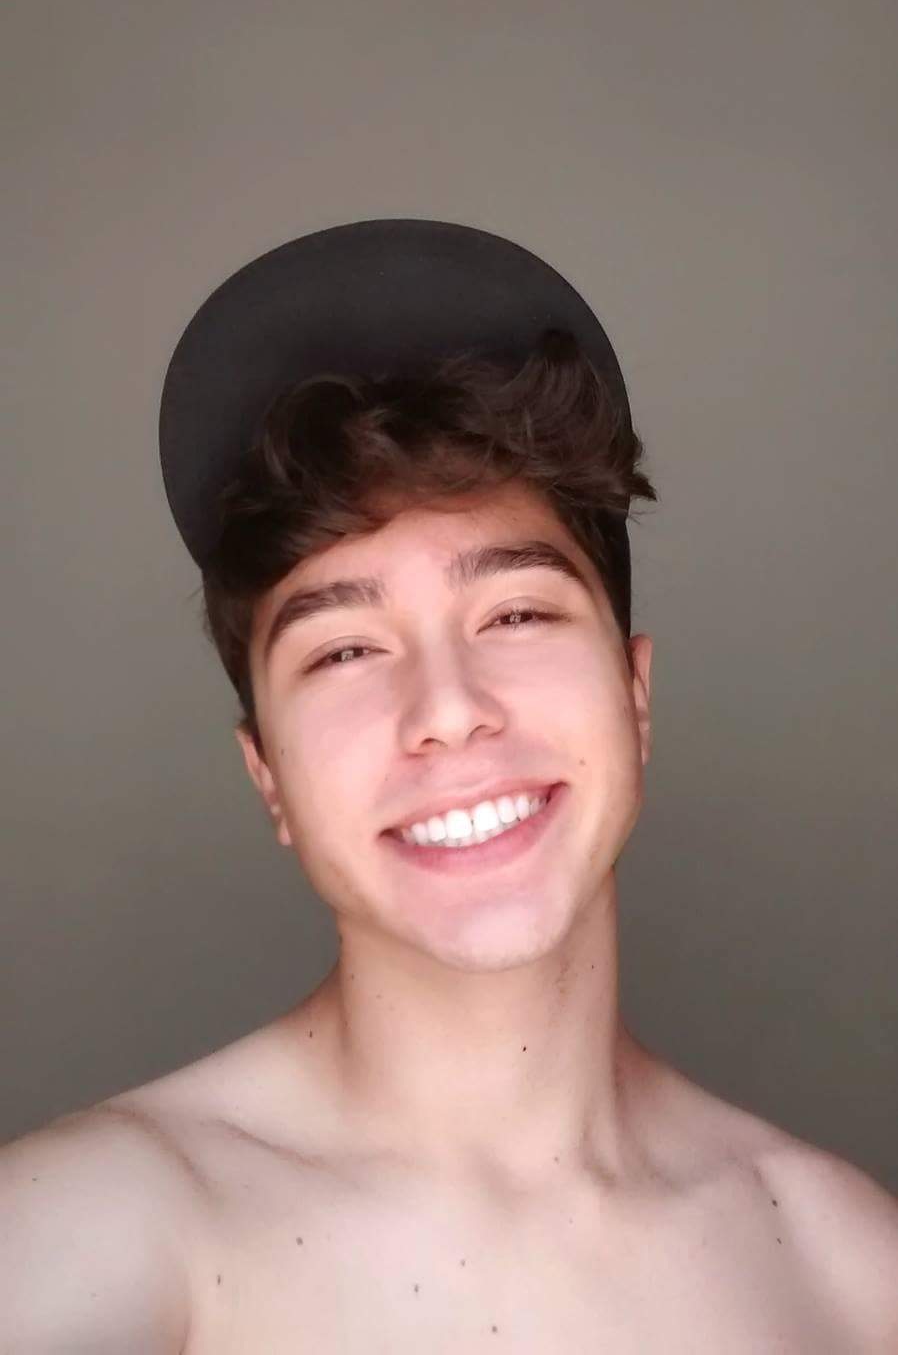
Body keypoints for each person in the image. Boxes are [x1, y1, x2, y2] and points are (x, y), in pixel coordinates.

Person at [3, 220, 896, 1352]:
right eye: (343, 650)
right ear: (267, 776)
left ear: (635, 695)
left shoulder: (851, 1272)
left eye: (515, 613)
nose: (446, 708)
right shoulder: (90, 1228)